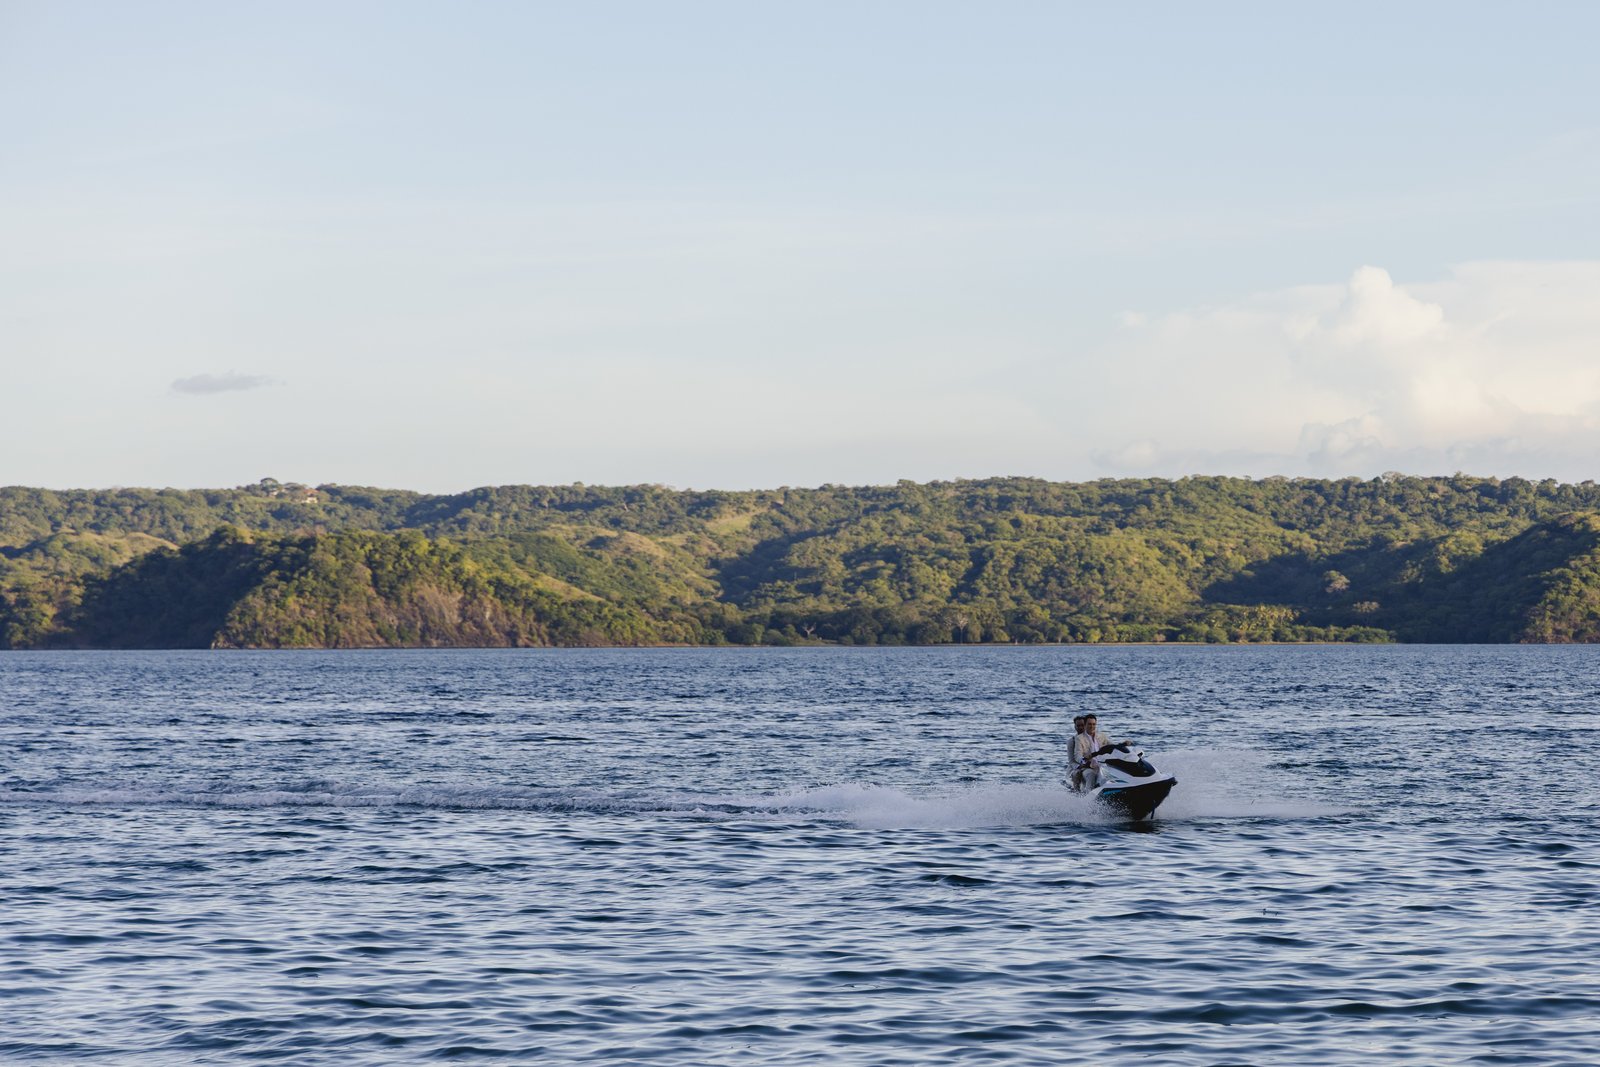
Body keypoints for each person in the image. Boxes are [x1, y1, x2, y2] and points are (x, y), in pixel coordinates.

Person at [1073, 714, 1110, 791]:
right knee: (1091, 774)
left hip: (1103, 766)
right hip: (1088, 767)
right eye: (1089, 724)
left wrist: (1122, 747)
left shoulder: (1101, 736)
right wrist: (1084, 760)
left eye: (1094, 724)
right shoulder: (1079, 738)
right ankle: (1088, 800)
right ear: (1085, 725)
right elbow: (1077, 755)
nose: (1092, 726)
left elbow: (1112, 746)